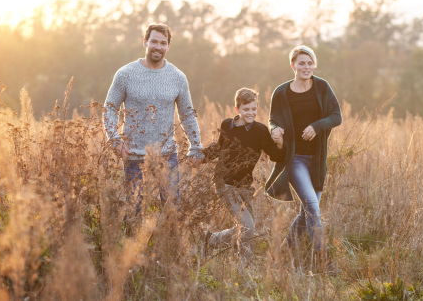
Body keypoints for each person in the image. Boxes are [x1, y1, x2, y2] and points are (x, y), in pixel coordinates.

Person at [103, 23, 203, 215]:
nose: (158, 46)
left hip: (167, 155)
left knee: (173, 211)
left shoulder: (178, 77)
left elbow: (187, 114)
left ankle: (169, 245)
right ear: (145, 42)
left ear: (168, 46)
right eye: (154, 41)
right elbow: (109, 108)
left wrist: (196, 146)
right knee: (134, 212)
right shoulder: (125, 74)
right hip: (134, 156)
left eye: (163, 43)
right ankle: (133, 244)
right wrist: (114, 141)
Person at [265, 45, 342, 256]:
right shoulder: (281, 92)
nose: (306, 67)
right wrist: (274, 130)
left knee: (307, 209)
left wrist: (317, 126)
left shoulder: (322, 87)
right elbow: (272, 120)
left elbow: (337, 116)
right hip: (295, 158)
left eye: (310, 63)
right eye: (301, 63)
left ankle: (283, 252)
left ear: (314, 65)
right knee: (311, 206)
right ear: (293, 65)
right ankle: (324, 259)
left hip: (317, 159)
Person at [203, 88, 285, 266]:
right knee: (247, 227)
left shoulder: (261, 130)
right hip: (224, 182)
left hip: (245, 185)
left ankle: (211, 240)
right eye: (246, 109)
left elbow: (274, 155)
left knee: (247, 229)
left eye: (254, 109)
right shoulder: (227, 125)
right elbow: (219, 147)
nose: (251, 113)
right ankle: (246, 268)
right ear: (237, 109)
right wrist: (200, 157)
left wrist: (279, 144)